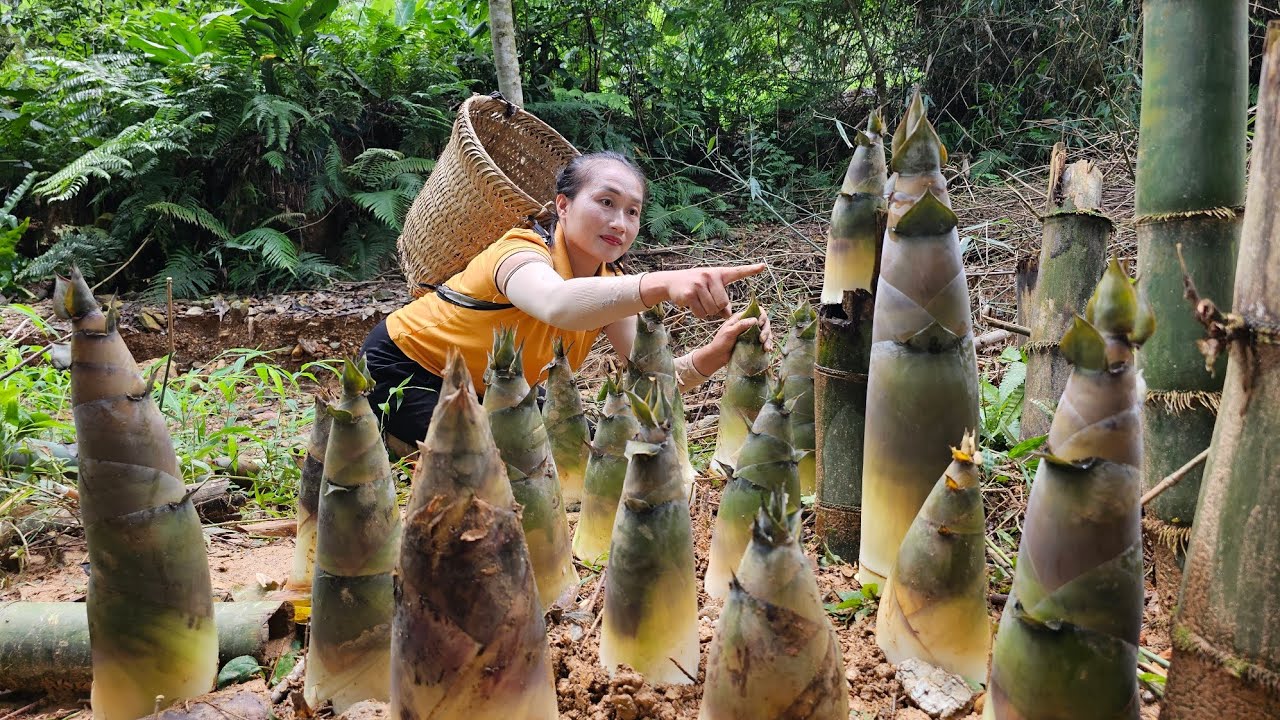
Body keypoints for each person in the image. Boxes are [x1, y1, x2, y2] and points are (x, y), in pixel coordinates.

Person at [361, 150, 771, 453]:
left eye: (632, 211)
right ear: (563, 204)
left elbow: (655, 375)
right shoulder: (519, 251)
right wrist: (664, 283)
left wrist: (718, 352)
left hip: (498, 390)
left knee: (591, 450)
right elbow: (558, 303)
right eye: (606, 202)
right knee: (500, 464)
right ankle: (389, 434)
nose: (619, 223)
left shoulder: (612, 283)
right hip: (408, 366)